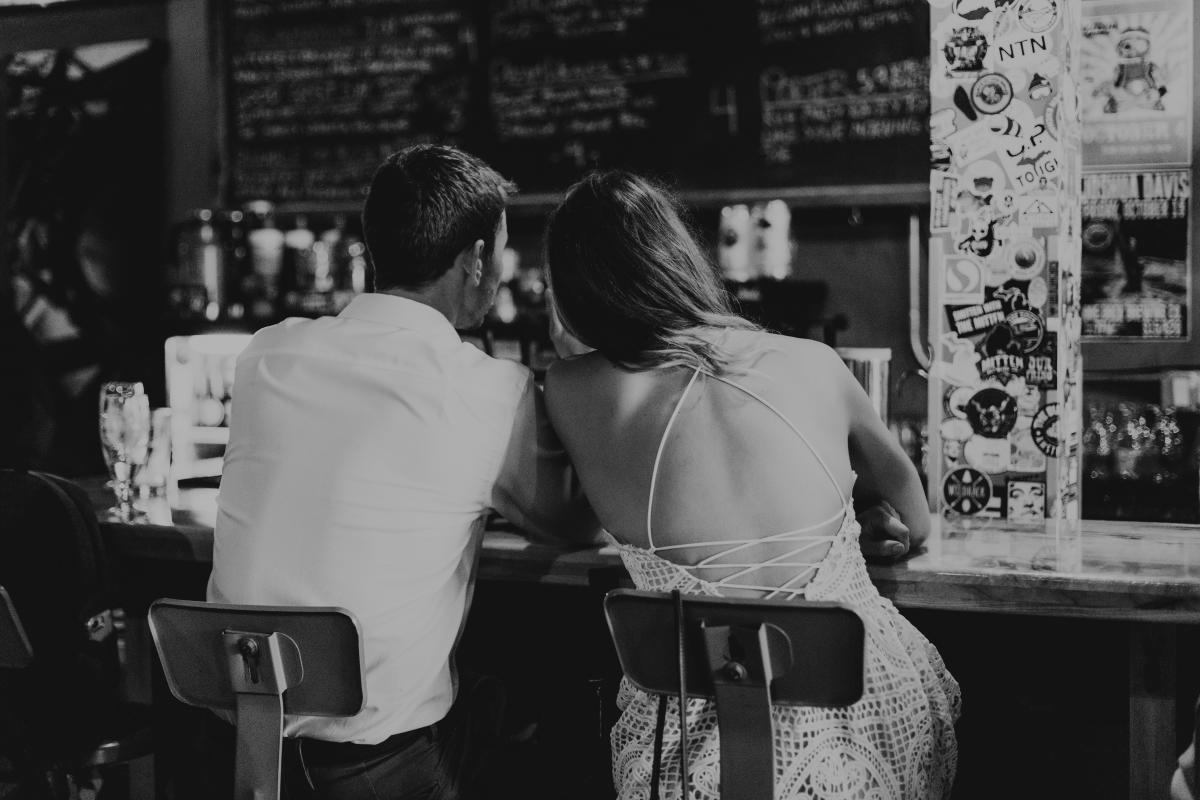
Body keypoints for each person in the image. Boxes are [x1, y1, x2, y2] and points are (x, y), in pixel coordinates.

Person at [541, 171, 960, 799]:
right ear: (679, 257)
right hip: (868, 734)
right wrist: (853, 514)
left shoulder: (571, 389)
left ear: (570, 292)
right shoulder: (813, 361)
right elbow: (916, 520)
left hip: (688, 766)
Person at [207, 144, 599, 800]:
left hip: (236, 749)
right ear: (475, 260)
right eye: (500, 253)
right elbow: (575, 523)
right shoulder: (484, 389)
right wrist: (580, 364)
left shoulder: (267, 353)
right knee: (541, 711)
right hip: (378, 771)